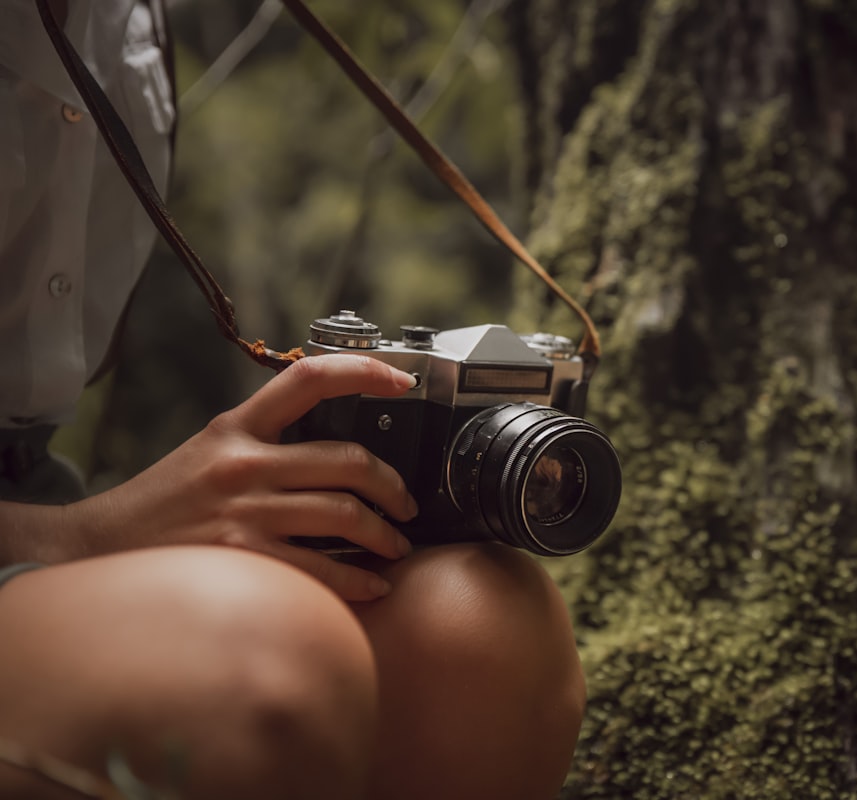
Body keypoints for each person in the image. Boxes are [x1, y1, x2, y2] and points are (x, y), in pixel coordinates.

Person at [0, 2, 586, 798]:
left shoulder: (122, 22)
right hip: (38, 530)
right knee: (266, 664)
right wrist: (89, 534)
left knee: (482, 631)